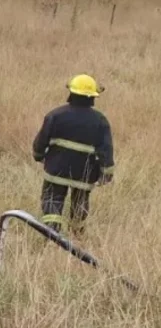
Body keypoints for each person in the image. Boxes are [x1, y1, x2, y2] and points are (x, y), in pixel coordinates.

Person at [32, 74, 114, 235]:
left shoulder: (55, 115)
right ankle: (76, 237)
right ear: (92, 97)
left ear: (71, 93)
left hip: (56, 171)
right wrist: (106, 173)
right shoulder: (100, 120)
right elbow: (106, 150)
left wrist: (38, 155)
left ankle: (52, 234)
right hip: (84, 174)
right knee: (80, 204)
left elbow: (41, 141)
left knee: (52, 200)